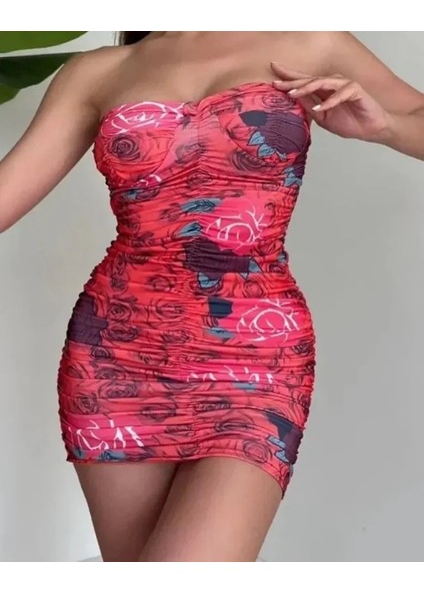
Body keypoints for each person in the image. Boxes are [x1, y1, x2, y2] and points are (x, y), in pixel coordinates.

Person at [0, 32, 423, 563]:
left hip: (257, 357)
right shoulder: (96, 71)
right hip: (116, 360)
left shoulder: (314, 39)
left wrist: (387, 127)